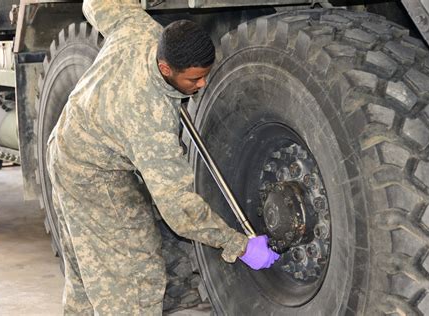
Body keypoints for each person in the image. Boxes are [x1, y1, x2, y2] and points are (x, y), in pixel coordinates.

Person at [46, 0, 279, 314]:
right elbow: (178, 208)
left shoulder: (138, 28)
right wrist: (238, 244)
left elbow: (96, 3)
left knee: (89, 275)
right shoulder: (148, 118)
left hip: (67, 144)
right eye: (194, 80)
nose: (202, 85)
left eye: (205, 76)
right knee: (134, 279)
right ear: (166, 68)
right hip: (91, 174)